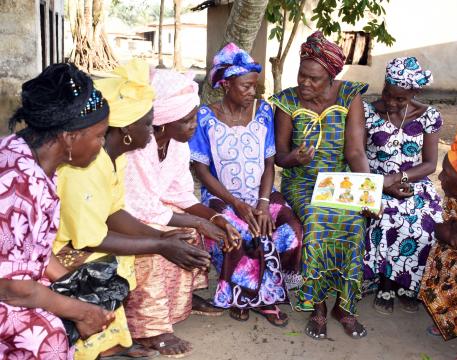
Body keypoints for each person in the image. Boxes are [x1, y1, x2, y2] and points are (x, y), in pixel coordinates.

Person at [52, 59, 211, 359]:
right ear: (126, 129)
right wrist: (158, 242)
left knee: (149, 250)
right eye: (148, 124)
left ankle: (114, 339)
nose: (153, 131)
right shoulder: (86, 167)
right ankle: (110, 341)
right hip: (61, 249)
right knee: (130, 259)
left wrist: (163, 239)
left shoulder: (116, 158)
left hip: (87, 238)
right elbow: (90, 238)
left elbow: (115, 213)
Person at [123, 69, 241, 358]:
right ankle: (151, 328)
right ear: (161, 124)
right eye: (187, 119)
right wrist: (200, 222)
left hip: (151, 209)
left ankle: (181, 300)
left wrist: (216, 220)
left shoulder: (177, 145)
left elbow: (180, 195)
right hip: (125, 215)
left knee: (189, 229)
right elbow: (140, 206)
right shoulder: (138, 147)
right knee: (164, 242)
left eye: (194, 116)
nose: (194, 125)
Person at [0, 63, 115, 359]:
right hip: (8, 289)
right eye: (100, 136)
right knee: (46, 333)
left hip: (14, 282)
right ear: (69, 138)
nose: (102, 146)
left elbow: (30, 251)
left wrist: (73, 289)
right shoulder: (22, 186)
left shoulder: (24, 153)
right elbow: (13, 288)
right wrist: (82, 311)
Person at [189, 43, 303, 327]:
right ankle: (247, 295)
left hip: (261, 193)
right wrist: (236, 203)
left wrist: (263, 203)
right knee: (239, 233)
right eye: (246, 86)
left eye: (255, 86)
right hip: (221, 197)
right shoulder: (206, 117)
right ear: (226, 85)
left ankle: (265, 293)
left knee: (290, 228)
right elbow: (201, 171)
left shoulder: (263, 112)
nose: (253, 92)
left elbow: (269, 164)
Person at [270, 31, 371, 339]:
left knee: (353, 221)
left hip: (339, 180)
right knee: (317, 219)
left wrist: (367, 192)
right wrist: (294, 159)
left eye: (314, 78)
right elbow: (278, 157)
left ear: (330, 76)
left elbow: (355, 151)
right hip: (301, 181)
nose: (305, 83)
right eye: (302, 75)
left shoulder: (349, 96)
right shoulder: (287, 101)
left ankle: (345, 305)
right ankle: (317, 306)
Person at [362, 57, 443, 315]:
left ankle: (407, 284)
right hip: (374, 182)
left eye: (400, 99)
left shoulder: (429, 116)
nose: (392, 103)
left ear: (413, 93)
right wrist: (382, 185)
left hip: (413, 182)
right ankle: (386, 284)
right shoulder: (367, 112)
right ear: (384, 84)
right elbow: (357, 155)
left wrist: (399, 179)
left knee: (428, 221)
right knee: (387, 217)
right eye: (388, 94)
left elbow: (430, 164)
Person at [419, 124, 457, 359]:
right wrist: (453, 229)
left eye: (445, 174)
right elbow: (439, 227)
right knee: (443, 254)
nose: (440, 178)